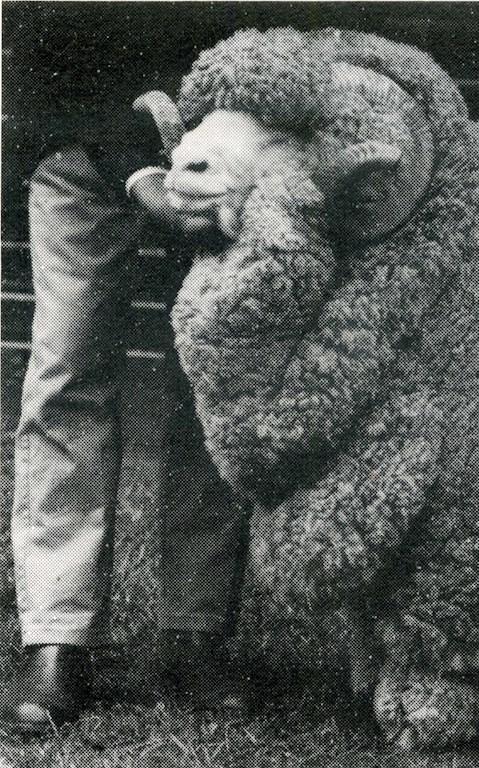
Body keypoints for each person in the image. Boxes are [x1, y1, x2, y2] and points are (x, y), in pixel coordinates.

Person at [2, 66, 251, 732]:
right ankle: (57, 635)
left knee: (209, 383)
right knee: (69, 373)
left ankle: (195, 633)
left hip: (224, 159)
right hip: (82, 144)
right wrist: (140, 173)